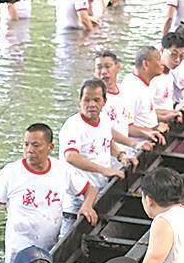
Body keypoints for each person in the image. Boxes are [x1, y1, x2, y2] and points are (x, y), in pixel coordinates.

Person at [0, 124, 97, 263]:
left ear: (50, 147)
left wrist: (87, 206)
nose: (29, 150)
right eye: (26, 145)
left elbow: (90, 189)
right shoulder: (11, 172)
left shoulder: (61, 170)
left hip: (48, 252)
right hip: (18, 253)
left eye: (36, 145)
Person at [59, 79, 140, 225]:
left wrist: (121, 155)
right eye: (87, 100)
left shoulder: (104, 120)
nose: (91, 105)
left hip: (101, 190)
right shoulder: (73, 126)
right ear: (80, 101)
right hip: (77, 200)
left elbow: (107, 141)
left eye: (96, 100)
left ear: (104, 101)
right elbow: (71, 156)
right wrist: (105, 170)